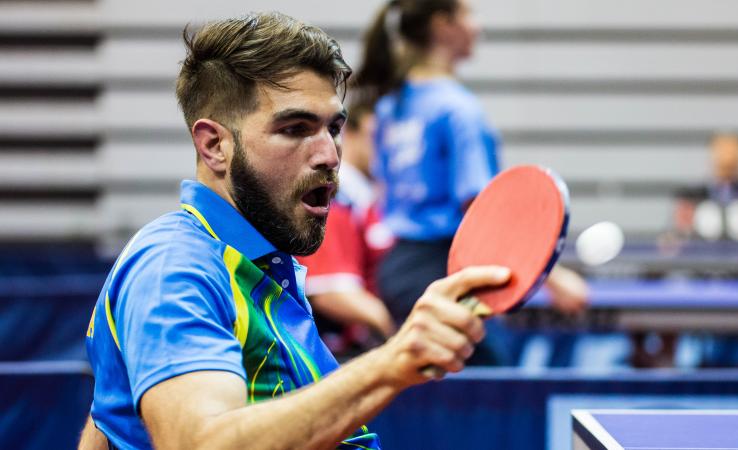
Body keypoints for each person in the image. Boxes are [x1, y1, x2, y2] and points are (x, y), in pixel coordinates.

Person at [78, 13, 511, 450]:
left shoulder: (263, 266)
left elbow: (110, 419)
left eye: (334, 128)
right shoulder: (176, 267)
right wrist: (395, 360)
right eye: (295, 129)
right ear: (215, 146)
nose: (329, 155)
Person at [354, 0, 587, 349]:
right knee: (491, 393)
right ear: (442, 25)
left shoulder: (391, 106)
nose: (478, 26)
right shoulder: (458, 111)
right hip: (447, 271)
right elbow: (479, 208)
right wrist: (551, 277)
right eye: (468, 14)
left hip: (397, 270)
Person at [295, 102, 397, 358]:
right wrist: (399, 337)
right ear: (348, 133)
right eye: (378, 135)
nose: (387, 147)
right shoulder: (336, 202)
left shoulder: (370, 201)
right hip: (336, 360)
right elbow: (330, 291)